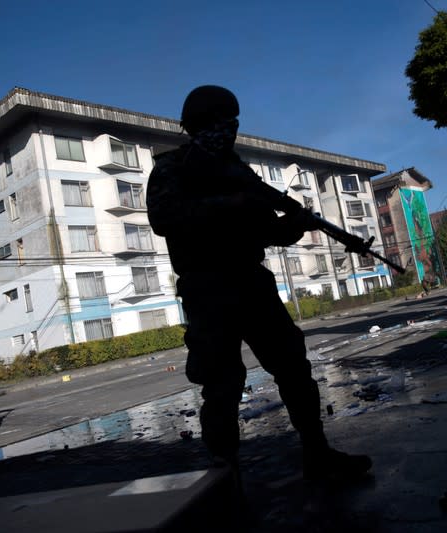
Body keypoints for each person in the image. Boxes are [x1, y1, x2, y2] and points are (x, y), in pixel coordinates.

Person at [146, 85, 372, 483]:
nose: (229, 129)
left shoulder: (239, 171)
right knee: (221, 385)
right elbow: (165, 219)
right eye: (221, 121)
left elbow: (271, 231)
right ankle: (224, 477)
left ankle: (317, 455)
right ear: (200, 124)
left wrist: (296, 225)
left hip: (252, 283)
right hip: (207, 289)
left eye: (232, 122)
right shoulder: (172, 168)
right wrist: (235, 204)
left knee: (294, 369)